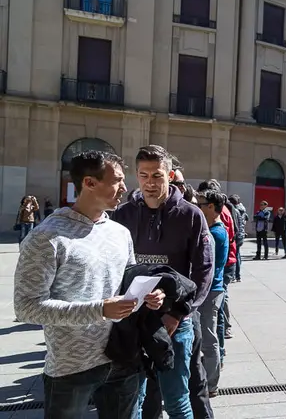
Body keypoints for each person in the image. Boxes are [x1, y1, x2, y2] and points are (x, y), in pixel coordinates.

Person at [14, 150, 165, 419]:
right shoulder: (46, 237)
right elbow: (26, 307)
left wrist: (148, 297)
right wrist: (99, 310)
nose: (125, 188)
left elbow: (128, 285)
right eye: (117, 180)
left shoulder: (120, 232)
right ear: (89, 183)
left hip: (124, 357)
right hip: (72, 366)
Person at [112, 145, 213, 419]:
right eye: (143, 175)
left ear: (169, 175)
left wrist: (178, 313)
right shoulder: (123, 215)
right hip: (134, 321)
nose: (150, 183)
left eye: (156, 176)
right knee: (136, 399)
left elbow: (204, 271)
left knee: (178, 400)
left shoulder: (191, 215)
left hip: (175, 323)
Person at [196, 190, 228, 398]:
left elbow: (207, 266)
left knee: (208, 337)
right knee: (208, 335)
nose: (197, 206)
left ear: (211, 207)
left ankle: (211, 384)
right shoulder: (216, 229)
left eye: (201, 203)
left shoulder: (214, 233)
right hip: (214, 289)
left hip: (211, 290)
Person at [228, 194, 248, 277]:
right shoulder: (242, 210)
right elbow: (246, 220)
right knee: (238, 254)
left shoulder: (234, 210)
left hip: (237, 234)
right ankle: (237, 274)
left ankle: (235, 274)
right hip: (241, 233)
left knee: (234, 255)